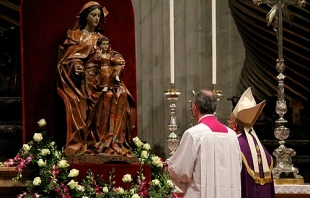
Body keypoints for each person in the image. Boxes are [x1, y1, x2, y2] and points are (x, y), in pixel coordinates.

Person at [57, 1, 136, 157]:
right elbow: (70, 58)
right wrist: (76, 66)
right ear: (86, 16)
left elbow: (111, 54)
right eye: (93, 15)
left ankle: (112, 142)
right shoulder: (76, 36)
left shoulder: (101, 37)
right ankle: (96, 141)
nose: (96, 18)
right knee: (104, 96)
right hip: (88, 79)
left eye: (99, 15)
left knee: (121, 94)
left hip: (104, 76)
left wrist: (118, 59)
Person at [167, 89, 242, 198]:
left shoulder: (193, 134)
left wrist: (169, 165)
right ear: (215, 108)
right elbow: (237, 167)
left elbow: (180, 172)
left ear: (195, 108)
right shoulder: (232, 136)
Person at [227, 87, 275, 198]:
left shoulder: (236, 145)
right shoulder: (261, 148)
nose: (228, 123)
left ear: (235, 126)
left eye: (230, 120)